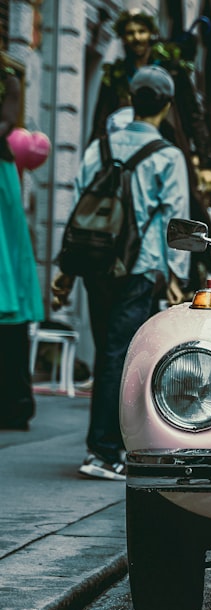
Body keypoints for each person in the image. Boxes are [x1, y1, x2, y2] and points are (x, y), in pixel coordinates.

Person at [52, 66, 190, 479]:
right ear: (166, 105)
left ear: (130, 99)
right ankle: (105, 451)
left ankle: (104, 446)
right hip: (139, 266)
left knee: (107, 352)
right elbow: (175, 219)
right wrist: (177, 275)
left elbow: (78, 205)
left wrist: (66, 268)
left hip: (95, 264)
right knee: (121, 355)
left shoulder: (99, 146)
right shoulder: (168, 156)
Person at [89, 9, 211, 295]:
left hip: (168, 151)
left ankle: (189, 279)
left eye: (141, 31)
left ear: (151, 33)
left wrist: (206, 162)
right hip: (124, 160)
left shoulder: (172, 70)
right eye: (130, 33)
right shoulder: (117, 75)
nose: (136, 38)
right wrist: (97, 156)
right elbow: (100, 120)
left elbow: (195, 117)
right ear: (123, 37)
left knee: (186, 212)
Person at [0, 57, 44, 430]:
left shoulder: (8, 80)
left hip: (1, 178)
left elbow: (5, 124)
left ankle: (15, 402)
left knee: (7, 269)